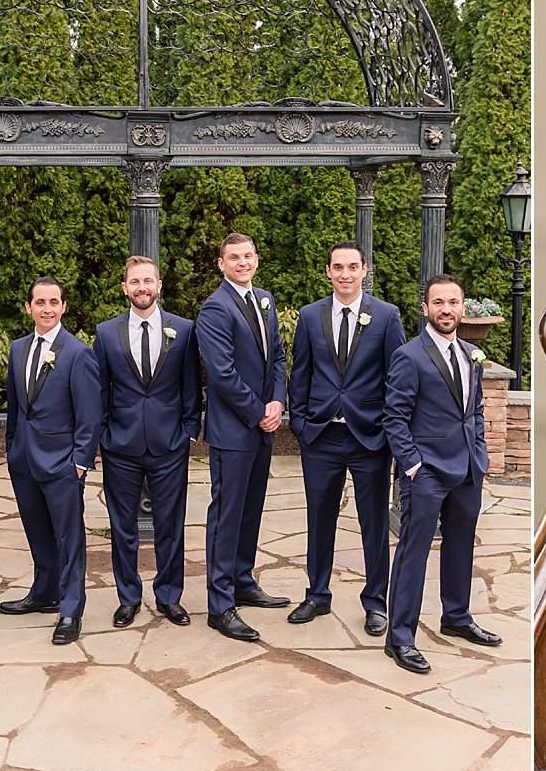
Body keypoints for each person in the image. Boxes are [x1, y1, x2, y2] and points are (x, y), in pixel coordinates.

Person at [381, 274, 502, 673]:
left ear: (463, 307)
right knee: (413, 553)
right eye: (438, 303)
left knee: (461, 547)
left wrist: (479, 453)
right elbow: (394, 416)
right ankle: (400, 638)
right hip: (427, 472)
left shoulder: (470, 354)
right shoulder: (410, 355)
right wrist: (413, 464)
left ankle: (457, 617)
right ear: (425, 308)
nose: (446, 310)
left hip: (468, 469)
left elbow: (476, 410)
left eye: (453, 302)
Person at [286, 242, 407, 637]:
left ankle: (375, 602)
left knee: (373, 523)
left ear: (364, 270)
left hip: (369, 437)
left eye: (352, 267)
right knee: (319, 518)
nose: (345, 274)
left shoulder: (386, 317)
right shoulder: (309, 316)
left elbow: (397, 379)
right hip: (320, 436)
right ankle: (317, 595)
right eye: (338, 267)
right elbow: (299, 375)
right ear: (328, 271)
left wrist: (388, 431)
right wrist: (301, 426)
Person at [93, 255, 202, 628]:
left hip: (170, 443)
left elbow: (191, 384)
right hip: (120, 444)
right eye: (134, 282)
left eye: (148, 281)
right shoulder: (106, 333)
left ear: (159, 285)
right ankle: (128, 597)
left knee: (171, 524)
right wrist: (104, 434)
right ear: (125, 288)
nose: (142, 287)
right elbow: (100, 389)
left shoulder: (184, 330)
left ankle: (169, 596)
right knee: (122, 526)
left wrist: (189, 428)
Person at [196, 232, 290, 641]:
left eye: (248, 255)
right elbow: (222, 374)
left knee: (251, 509)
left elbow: (279, 358)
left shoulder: (264, 300)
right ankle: (220, 604)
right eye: (234, 257)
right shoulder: (215, 309)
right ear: (221, 264)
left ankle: (243, 580)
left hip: (262, 425)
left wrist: (277, 402)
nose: (242, 262)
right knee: (227, 514)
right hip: (234, 430)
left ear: (256, 259)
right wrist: (257, 413)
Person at [0, 277, 101, 645]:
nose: (47, 308)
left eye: (53, 302)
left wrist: (79, 462)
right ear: (28, 307)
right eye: (40, 302)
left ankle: (71, 608)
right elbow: (16, 408)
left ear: (63, 307)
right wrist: (12, 449)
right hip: (24, 460)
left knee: (68, 538)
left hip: (62, 463)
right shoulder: (17, 349)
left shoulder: (77, 353)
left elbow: (90, 415)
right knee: (37, 533)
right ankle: (44, 592)